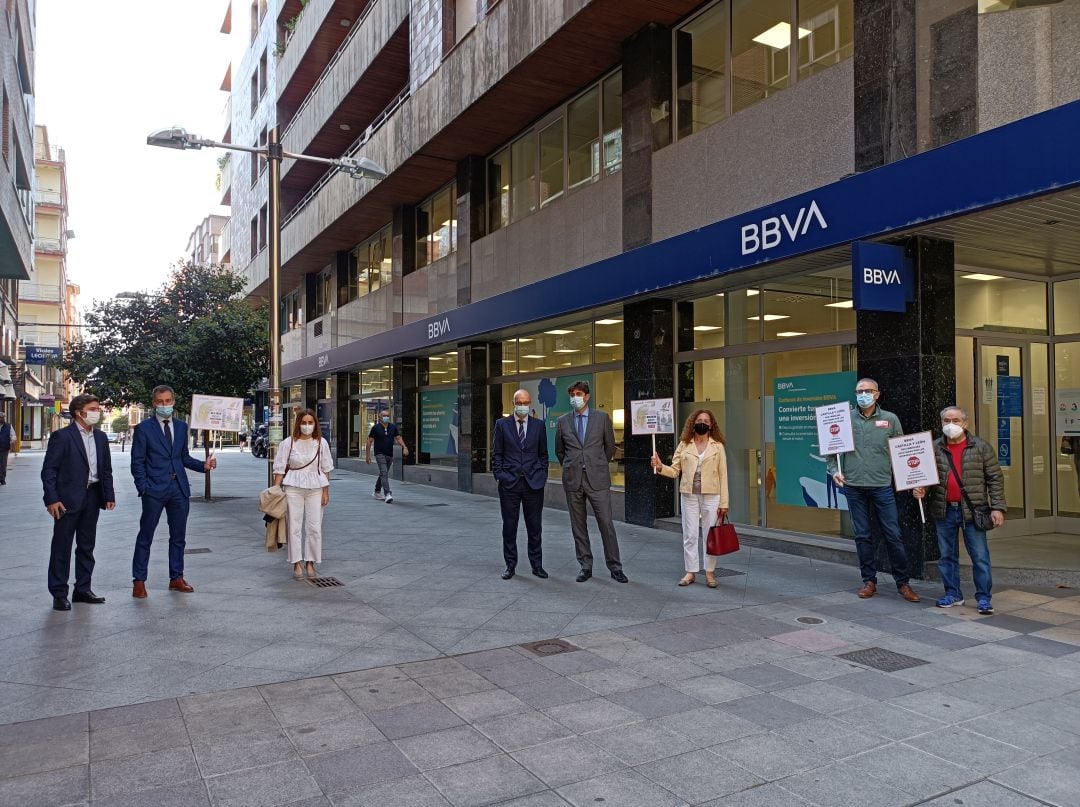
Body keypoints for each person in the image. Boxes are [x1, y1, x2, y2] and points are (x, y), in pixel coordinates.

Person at [827, 378, 920, 602]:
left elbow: (902, 451)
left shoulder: (890, 419)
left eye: (868, 391)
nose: (863, 394)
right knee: (862, 536)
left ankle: (903, 583)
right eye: (860, 391)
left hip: (882, 486)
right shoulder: (844, 419)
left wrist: (915, 479)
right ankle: (869, 581)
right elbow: (832, 452)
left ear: (877, 394)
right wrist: (834, 471)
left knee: (893, 535)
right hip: (854, 487)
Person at [913, 406, 1005, 615]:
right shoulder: (934, 447)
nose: (951, 424)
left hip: (974, 511)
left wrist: (998, 507)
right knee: (947, 556)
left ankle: (983, 598)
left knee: (980, 556)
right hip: (944, 509)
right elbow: (925, 475)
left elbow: (995, 478)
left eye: (955, 420)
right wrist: (921, 489)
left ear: (965, 423)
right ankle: (953, 594)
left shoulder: (980, 447)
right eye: (946, 421)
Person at [130, 385, 217, 597]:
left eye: (168, 401)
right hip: (154, 490)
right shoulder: (143, 429)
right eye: (160, 402)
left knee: (178, 537)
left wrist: (203, 466)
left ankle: (176, 577)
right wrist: (144, 488)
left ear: (173, 402)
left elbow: (183, 457)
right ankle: (139, 580)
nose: (164, 405)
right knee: (146, 536)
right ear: (153, 404)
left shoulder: (180, 426)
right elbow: (137, 462)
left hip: (179, 489)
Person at [40, 394, 116, 611]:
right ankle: (59, 593)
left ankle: (83, 589)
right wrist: (52, 499)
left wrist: (108, 495)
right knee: (61, 547)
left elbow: (106, 469)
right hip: (67, 500)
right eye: (93, 409)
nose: (97, 413)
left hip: (92, 496)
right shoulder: (62, 437)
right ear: (79, 413)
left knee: (86, 546)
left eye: (98, 409)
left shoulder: (100, 437)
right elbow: (49, 471)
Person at [554, 381, 627, 583]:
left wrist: (596, 464)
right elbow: (560, 451)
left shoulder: (602, 418)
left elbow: (609, 448)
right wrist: (572, 465)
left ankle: (615, 567)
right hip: (573, 479)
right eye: (572, 394)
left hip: (597, 479)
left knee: (606, 523)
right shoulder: (563, 421)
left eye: (578, 394)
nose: (574, 398)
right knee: (578, 525)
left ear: (587, 396)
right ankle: (585, 565)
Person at [651, 409, 729, 588]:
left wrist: (724, 503)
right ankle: (691, 572)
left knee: (710, 535)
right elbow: (675, 470)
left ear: (711, 425)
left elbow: (723, 475)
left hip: (712, 495)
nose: (702, 422)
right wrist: (661, 466)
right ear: (693, 423)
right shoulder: (684, 444)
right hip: (689, 495)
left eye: (706, 420)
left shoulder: (717, 446)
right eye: (699, 419)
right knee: (690, 534)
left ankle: (709, 572)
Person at [491, 388, 549, 580]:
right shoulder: (502, 424)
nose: (523, 406)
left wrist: (542, 474)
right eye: (520, 403)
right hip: (509, 484)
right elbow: (497, 453)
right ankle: (510, 565)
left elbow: (543, 454)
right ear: (513, 404)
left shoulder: (539, 425)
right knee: (509, 526)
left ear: (530, 403)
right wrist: (499, 474)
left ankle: (537, 565)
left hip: (534, 483)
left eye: (526, 403)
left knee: (535, 527)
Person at [274, 409, 334, 579]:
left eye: (310, 422)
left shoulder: (321, 443)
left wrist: (326, 492)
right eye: (303, 422)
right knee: (294, 526)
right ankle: (296, 563)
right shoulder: (288, 443)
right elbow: (279, 468)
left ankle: (310, 562)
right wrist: (275, 491)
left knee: (314, 527)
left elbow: (326, 469)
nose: (307, 426)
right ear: (298, 423)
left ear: (315, 424)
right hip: (293, 487)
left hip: (316, 487)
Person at [366, 408, 409, 503]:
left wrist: (404, 447)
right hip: (379, 454)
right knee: (384, 472)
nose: (386, 418)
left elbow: (398, 438)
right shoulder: (375, 428)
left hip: (389, 454)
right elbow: (369, 442)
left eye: (388, 416)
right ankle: (387, 494)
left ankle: (377, 491)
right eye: (384, 416)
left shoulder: (392, 427)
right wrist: (368, 456)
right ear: (380, 417)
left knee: (383, 473)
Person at [0, 412, 12, 485]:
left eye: (2, 417)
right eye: (0, 417)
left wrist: (10, 441)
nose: (1, 418)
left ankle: (2, 479)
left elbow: (13, 436)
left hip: (4, 448)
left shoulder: (9, 426)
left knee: (3, 464)